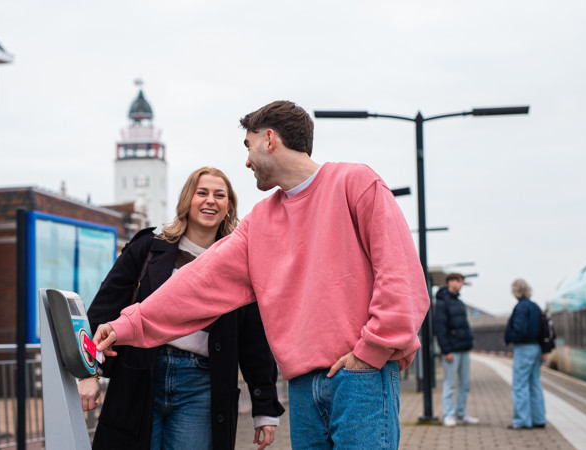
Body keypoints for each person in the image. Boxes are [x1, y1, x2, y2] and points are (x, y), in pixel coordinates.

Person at [92, 100, 429, 449]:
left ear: (269, 139)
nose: (247, 161)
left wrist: (370, 351)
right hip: (301, 386)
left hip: (361, 376)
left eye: (248, 146)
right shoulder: (261, 221)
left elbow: (401, 277)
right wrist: (125, 325)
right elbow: (198, 283)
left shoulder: (355, 182)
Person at [79, 167, 284, 450]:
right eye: (202, 193)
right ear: (187, 200)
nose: (210, 200)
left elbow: (254, 340)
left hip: (202, 384)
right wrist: (88, 372)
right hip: (139, 376)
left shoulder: (240, 264)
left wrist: (265, 408)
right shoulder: (147, 248)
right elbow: (103, 309)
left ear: (228, 207)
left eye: (219, 195)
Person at [432, 272, 479, 427]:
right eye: (459, 281)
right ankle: (448, 414)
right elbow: (440, 328)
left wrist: (468, 343)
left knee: (465, 383)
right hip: (452, 350)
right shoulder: (442, 302)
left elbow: (464, 325)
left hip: (463, 349)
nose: (461, 284)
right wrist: (446, 350)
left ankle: (461, 413)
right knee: (450, 384)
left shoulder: (459, 302)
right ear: (450, 282)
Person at [504, 278, 546, 430]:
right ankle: (539, 419)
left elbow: (519, 329)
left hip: (524, 348)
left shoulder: (521, 307)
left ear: (515, 291)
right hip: (536, 347)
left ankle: (522, 420)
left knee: (520, 385)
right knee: (535, 384)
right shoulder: (535, 306)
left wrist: (510, 336)